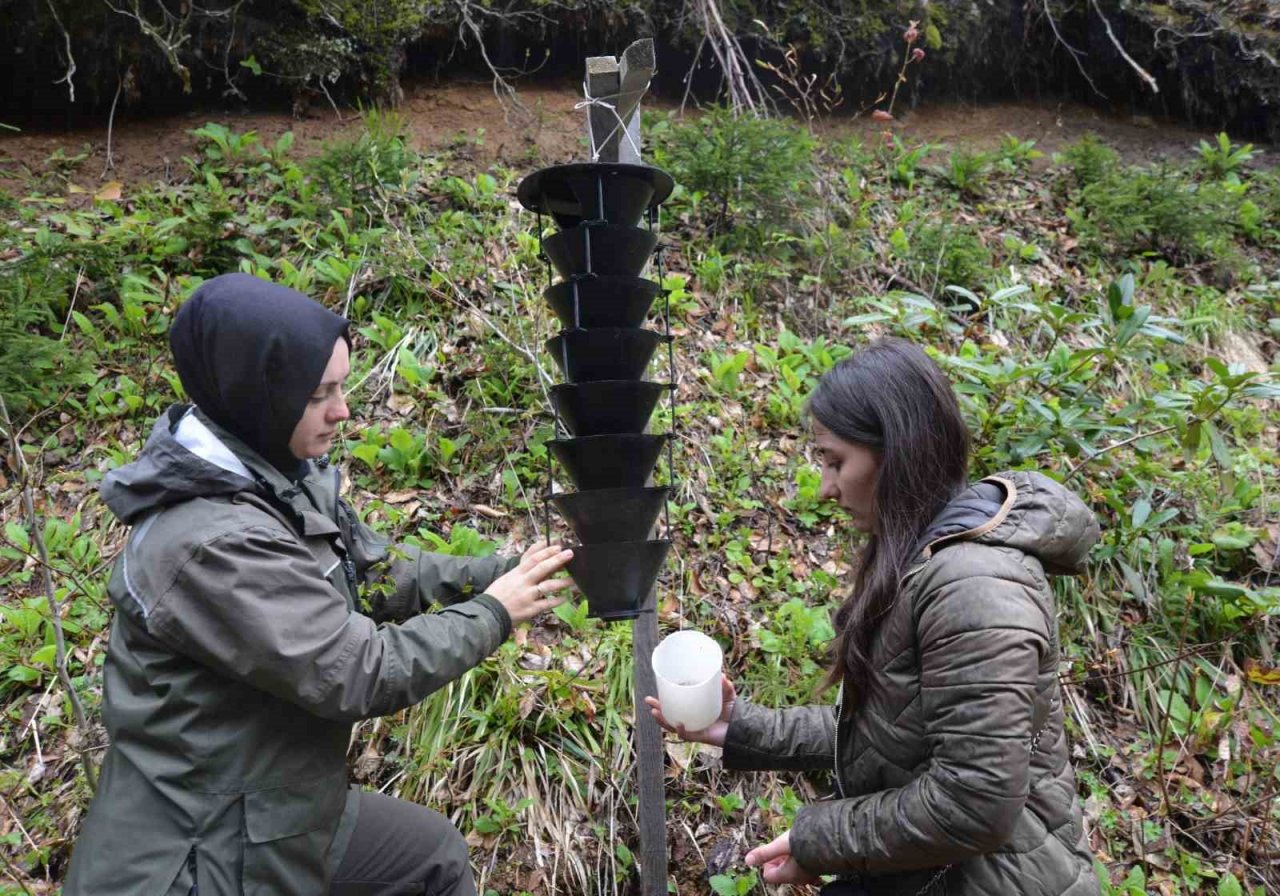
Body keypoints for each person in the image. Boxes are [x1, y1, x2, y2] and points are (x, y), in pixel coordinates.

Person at [63, 273, 574, 896]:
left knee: (428, 857)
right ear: (259, 395)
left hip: (275, 808)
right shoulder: (211, 542)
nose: (343, 410)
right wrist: (495, 612)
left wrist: (511, 569)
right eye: (317, 395)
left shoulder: (276, 474)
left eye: (340, 386)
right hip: (201, 848)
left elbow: (374, 573)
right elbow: (356, 672)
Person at [647, 338, 1102, 896]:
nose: (826, 487)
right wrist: (740, 728)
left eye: (836, 462)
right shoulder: (927, 562)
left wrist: (819, 838)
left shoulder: (976, 589)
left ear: (899, 451)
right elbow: (887, 735)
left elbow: (974, 803)